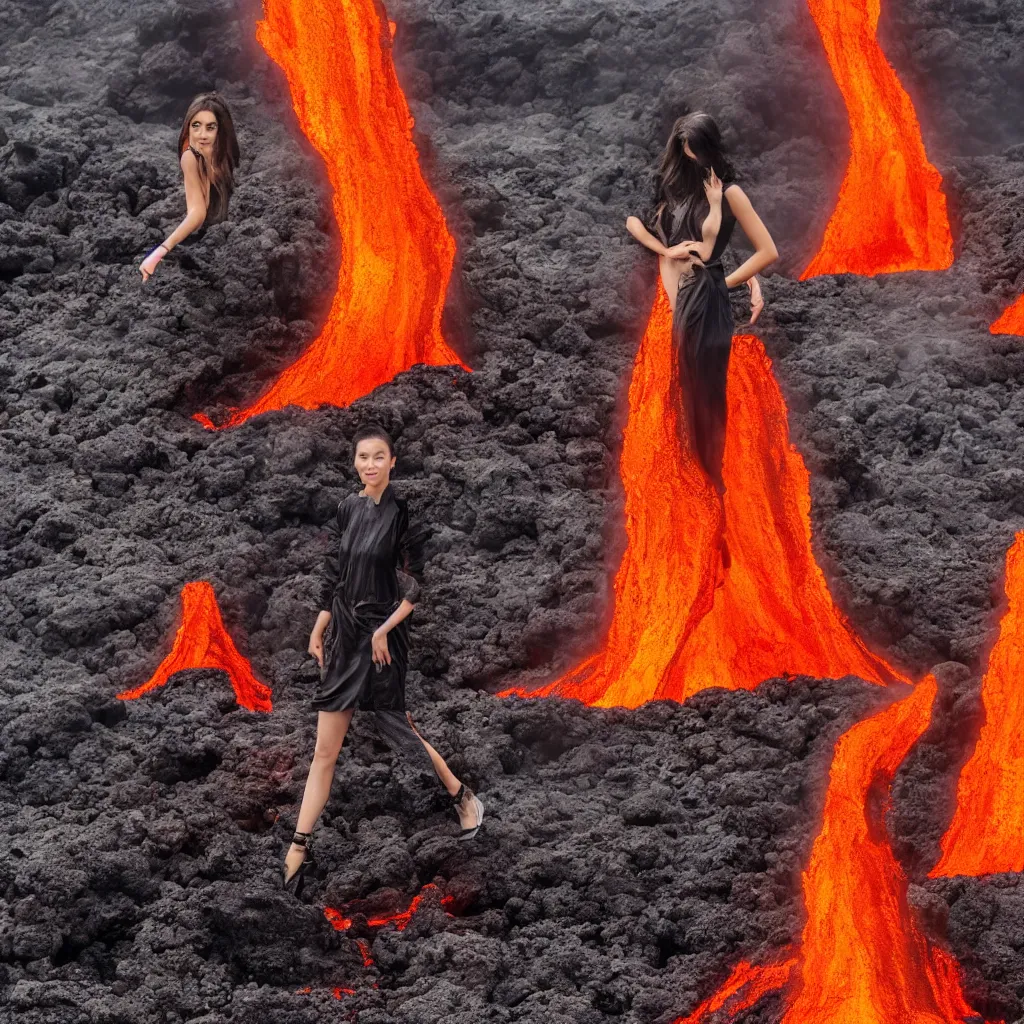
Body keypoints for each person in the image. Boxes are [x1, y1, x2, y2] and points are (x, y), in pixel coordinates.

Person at [282, 425, 485, 895]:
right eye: (362, 457)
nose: (370, 465)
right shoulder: (347, 509)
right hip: (344, 636)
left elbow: (417, 586)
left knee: (396, 728)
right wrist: (319, 625)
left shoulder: (403, 515)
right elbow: (336, 573)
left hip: (382, 639)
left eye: (379, 457)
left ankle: (463, 797)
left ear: (393, 463)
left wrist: (383, 630)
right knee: (324, 750)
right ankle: (298, 848)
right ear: (355, 462)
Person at [625, 112, 778, 569]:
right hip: (682, 302)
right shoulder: (674, 188)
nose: (689, 158)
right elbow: (638, 224)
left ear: (710, 148)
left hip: (703, 308)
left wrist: (729, 281)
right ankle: (698, 493)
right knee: (681, 397)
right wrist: (667, 252)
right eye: (682, 149)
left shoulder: (728, 192)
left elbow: (767, 250)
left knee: (703, 399)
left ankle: (714, 500)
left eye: (695, 150)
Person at [140, 93, 240, 282]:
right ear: (188, 127)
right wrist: (160, 251)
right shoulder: (190, 158)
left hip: (233, 231)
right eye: (196, 126)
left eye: (210, 128)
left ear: (220, 130)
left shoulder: (223, 151)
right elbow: (197, 212)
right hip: (211, 245)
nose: (202, 135)